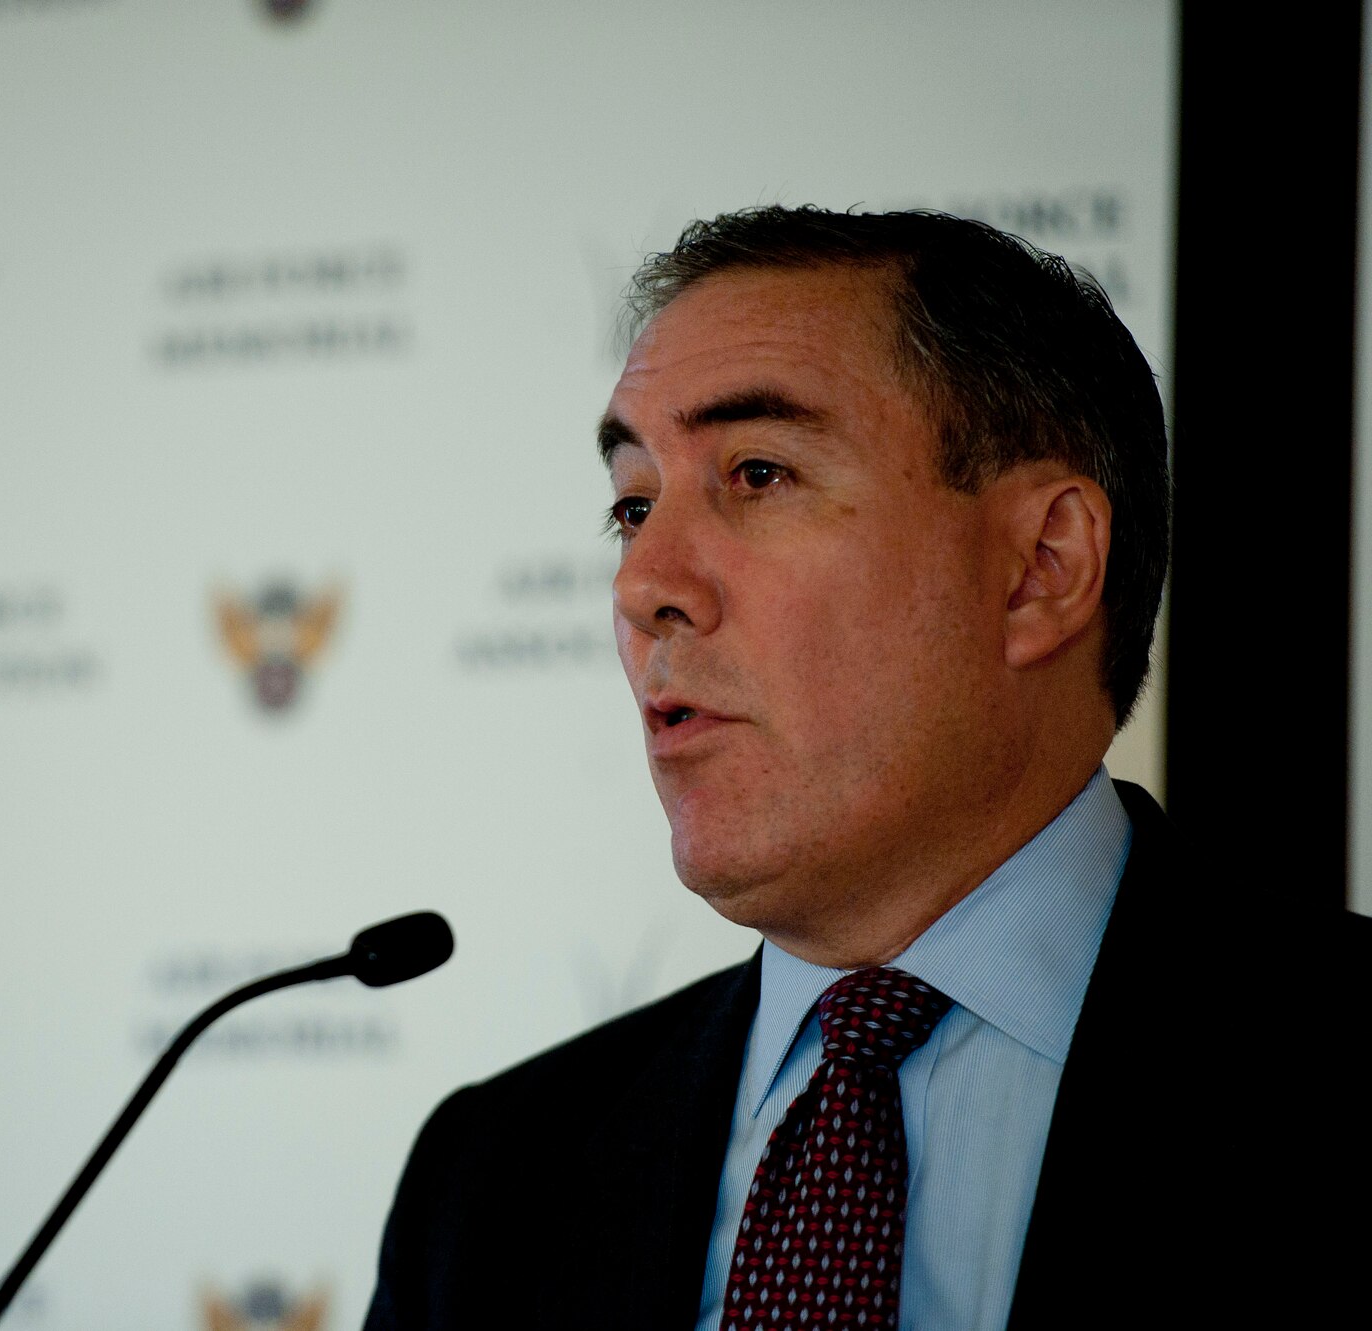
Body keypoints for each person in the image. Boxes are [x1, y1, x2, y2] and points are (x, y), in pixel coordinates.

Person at [362, 206, 1362, 1331]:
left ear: (1038, 567)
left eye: (755, 472)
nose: (643, 581)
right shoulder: (494, 1179)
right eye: (632, 504)